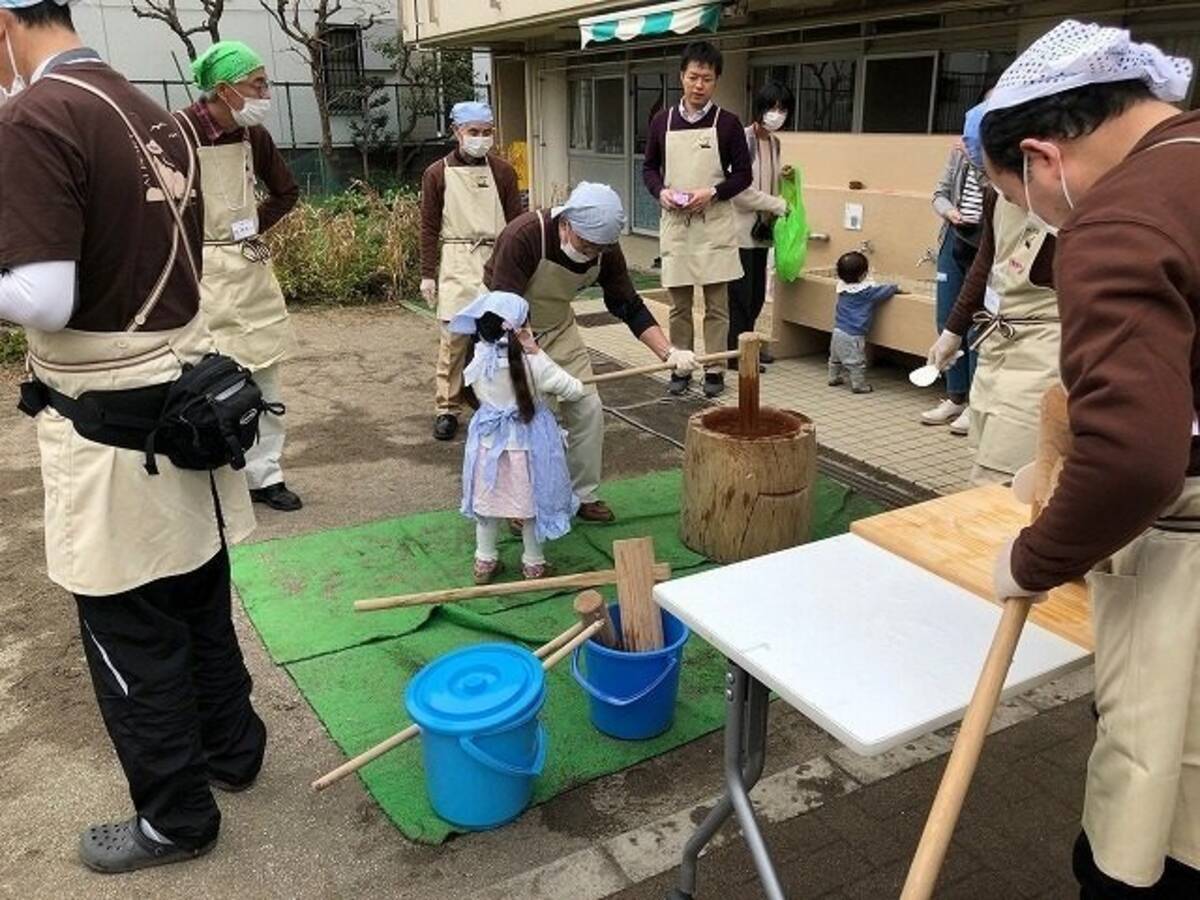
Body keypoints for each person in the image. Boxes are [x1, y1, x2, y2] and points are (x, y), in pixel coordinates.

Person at [0, 0, 263, 872]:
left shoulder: (37, 114)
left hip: (109, 420)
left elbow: (42, 298)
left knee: (127, 623)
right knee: (196, 591)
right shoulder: (149, 107)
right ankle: (235, 750)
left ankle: (175, 819)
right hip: (185, 396)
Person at [973, 20, 1199, 897]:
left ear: (1043, 158)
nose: (1047, 225)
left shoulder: (1121, 216)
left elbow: (1134, 462)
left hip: (1187, 565)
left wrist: (1035, 558)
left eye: (1031, 202)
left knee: (1154, 812)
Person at [484, 181, 696, 523]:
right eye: (586, 245)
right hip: (512, 333)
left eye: (600, 249)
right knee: (530, 419)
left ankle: (583, 495)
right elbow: (502, 312)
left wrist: (668, 352)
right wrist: (539, 364)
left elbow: (627, 304)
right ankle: (521, 502)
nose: (592, 255)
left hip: (559, 327)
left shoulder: (605, 250)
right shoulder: (523, 236)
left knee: (587, 409)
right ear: (566, 224)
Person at [176, 41, 302, 511]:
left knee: (265, 379)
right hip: (196, 273)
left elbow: (285, 192)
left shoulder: (255, 137)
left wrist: (247, 229)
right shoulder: (177, 131)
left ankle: (265, 476)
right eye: (258, 84)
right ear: (225, 90)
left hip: (248, 268)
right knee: (203, 380)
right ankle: (212, 479)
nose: (265, 92)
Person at [928, 159, 1058, 485]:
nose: (998, 189)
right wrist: (952, 331)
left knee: (1004, 479)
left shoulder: (1073, 201)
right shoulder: (996, 194)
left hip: (1045, 349)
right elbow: (985, 262)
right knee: (983, 455)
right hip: (998, 340)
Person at [642, 40, 752, 398]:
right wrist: (661, 192)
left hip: (714, 223)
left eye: (706, 78)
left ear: (716, 80)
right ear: (681, 77)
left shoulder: (729, 124)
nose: (699, 85)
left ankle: (716, 368)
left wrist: (714, 193)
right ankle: (681, 365)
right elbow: (648, 168)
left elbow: (744, 175)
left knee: (717, 305)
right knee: (679, 305)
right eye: (693, 77)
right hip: (676, 224)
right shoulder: (662, 121)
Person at [452, 291, 583, 584]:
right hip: (528, 446)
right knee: (529, 505)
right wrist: (536, 351)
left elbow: (470, 389)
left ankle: (484, 562)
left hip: (488, 444)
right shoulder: (534, 363)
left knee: (487, 505)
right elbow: (574, 389)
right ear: (524, 327)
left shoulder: (478, 360)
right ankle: (533, 564)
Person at [420, 100, 523, 441]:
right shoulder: (437, 173)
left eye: (486, 132)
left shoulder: (505, 172)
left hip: (496, 257)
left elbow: (516, 225)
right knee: (454, 339)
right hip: (456, 257)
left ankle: (491, 399)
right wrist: (427, 272)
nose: (480, 139)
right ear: (456, 132)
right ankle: (447, 408)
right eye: (473, 132)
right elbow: (429, 227)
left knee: (496, 335)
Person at [925, 95, 990, 434]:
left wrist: (982, 165)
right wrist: (950, 212)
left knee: (979, 323)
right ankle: (954, 396)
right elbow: (938, 193)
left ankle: (976, 404)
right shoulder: (959, 151)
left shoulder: (1002, 160)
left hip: (986, 243)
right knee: (948, 317)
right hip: (956, 236)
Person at [729, 80, 791, 370]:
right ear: (760, 108)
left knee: (755, 297)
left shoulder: (775, 144)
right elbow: (738, 192)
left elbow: (770, 183)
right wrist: (776, 204)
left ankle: (749, 347)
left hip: (762, 233)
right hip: (739, 232)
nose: (776, 114)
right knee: (740, 297)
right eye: (772, 107)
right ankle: (736, 354)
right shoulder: (743, 139)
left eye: (782, 109)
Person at [827, 251, 898, 394]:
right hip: (853, 334)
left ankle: (833, 377)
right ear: (863, 275)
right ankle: (858, 385)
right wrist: (895, 287)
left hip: (838, 330)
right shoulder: (865, 293)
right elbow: (883, 292)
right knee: (856, 362)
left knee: (835, 358)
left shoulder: (843, 288)